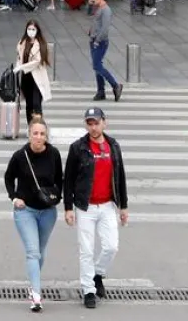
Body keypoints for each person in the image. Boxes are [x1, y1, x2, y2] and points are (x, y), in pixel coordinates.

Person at [63, 106, 128, 310]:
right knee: (86, 250)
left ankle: (97, 273)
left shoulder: (113, 146)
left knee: (111, 246)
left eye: (96, 123)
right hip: (85, 206)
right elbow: (68, 180)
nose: (93, 127)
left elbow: (120, 176)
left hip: (108, 204)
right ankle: (88, 290)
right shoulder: (78, 148)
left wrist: (123, 206)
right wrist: (68, 208)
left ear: (104, 122)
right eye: (89, 123)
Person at [5, 118, 64, 313]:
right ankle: (36, 294)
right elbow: (8, 177)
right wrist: (14, 198)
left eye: (42, 134)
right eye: (35, 133)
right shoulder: (20, 156)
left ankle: (33, 282)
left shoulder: (54, 154)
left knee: (41, 250)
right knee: (33, 252)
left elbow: (59, 180)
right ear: (29, 134)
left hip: (48, 212)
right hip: (26, 211)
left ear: (46, 136)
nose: (39, 137)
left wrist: (56, 198)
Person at [15, 20, 52, 124]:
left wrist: (22, 67)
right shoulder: (22, 43)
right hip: (26, 78)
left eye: (33, 29)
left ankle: (39, 127)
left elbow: (37, 62)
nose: (31, 31)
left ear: (37, 30)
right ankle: (30, 127)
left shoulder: (40, 44)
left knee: (36, 104)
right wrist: (18, 65)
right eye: (29, 29)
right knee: (29, 104)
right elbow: (19, 57)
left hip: (37, 78)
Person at [88, 0, 122, 102]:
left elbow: (105, 28)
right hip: (93, 39)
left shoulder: (106, 10)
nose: (94, 0)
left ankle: (115, 85)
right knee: (97, 66)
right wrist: (91, 5)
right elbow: (90, 16)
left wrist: (97, 40)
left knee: (97, 65)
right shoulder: (98, 8)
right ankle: (101, 91)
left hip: (100, 41)